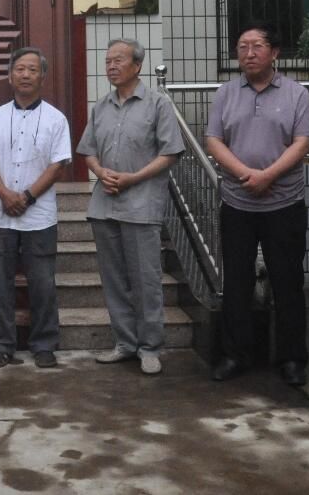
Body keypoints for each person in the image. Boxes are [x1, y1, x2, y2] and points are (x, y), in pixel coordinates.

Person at [204, 22, 309, 386]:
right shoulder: (225, 93)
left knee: (288, 281)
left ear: (275, 52)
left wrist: (268, 176)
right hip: (237, 204)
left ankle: (292, 358)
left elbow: (302, 142)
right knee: (237, 281)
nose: (248, 53)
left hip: (285, 203)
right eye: (242, 47)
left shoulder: (297, 94)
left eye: (257, 46)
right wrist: (246, 175)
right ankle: (235, 355)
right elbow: (214, 141)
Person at [77, 38, 183, 376]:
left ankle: (150, 347)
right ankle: (125, 342)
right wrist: (99, 171)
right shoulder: (101, 107)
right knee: (114, 280)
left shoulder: (157, 104)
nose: (111, 66)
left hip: (141, 205)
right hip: (105, 205)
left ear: (137, 66)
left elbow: (170, 153)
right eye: (108, 60)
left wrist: (133, 178)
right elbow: (88, 150)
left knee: (145, 280)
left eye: (118, 60)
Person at [0, 47, 71, 369]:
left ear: (42, 77)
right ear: (10, 76)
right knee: (0, 286)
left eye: (32, 69)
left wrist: (27, 197)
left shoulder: (56, 119)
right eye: (20, 69)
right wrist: (5, 195)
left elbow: (58, 166)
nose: (26, 74)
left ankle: (44, 344)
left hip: (39, 217)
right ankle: (1, 345)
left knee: (43, 284)